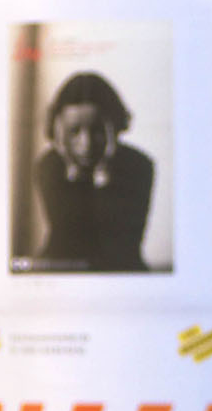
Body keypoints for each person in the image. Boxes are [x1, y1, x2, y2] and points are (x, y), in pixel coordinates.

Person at [35, 72, 154, 272]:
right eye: (74, 131)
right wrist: (73, 172)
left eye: (98, 130)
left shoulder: (139, 165)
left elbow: (124, 247)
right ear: (59, 130)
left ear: (114, 127)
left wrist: (103, 173)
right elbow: (66, 242)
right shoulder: (48, 165)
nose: (86, 144)